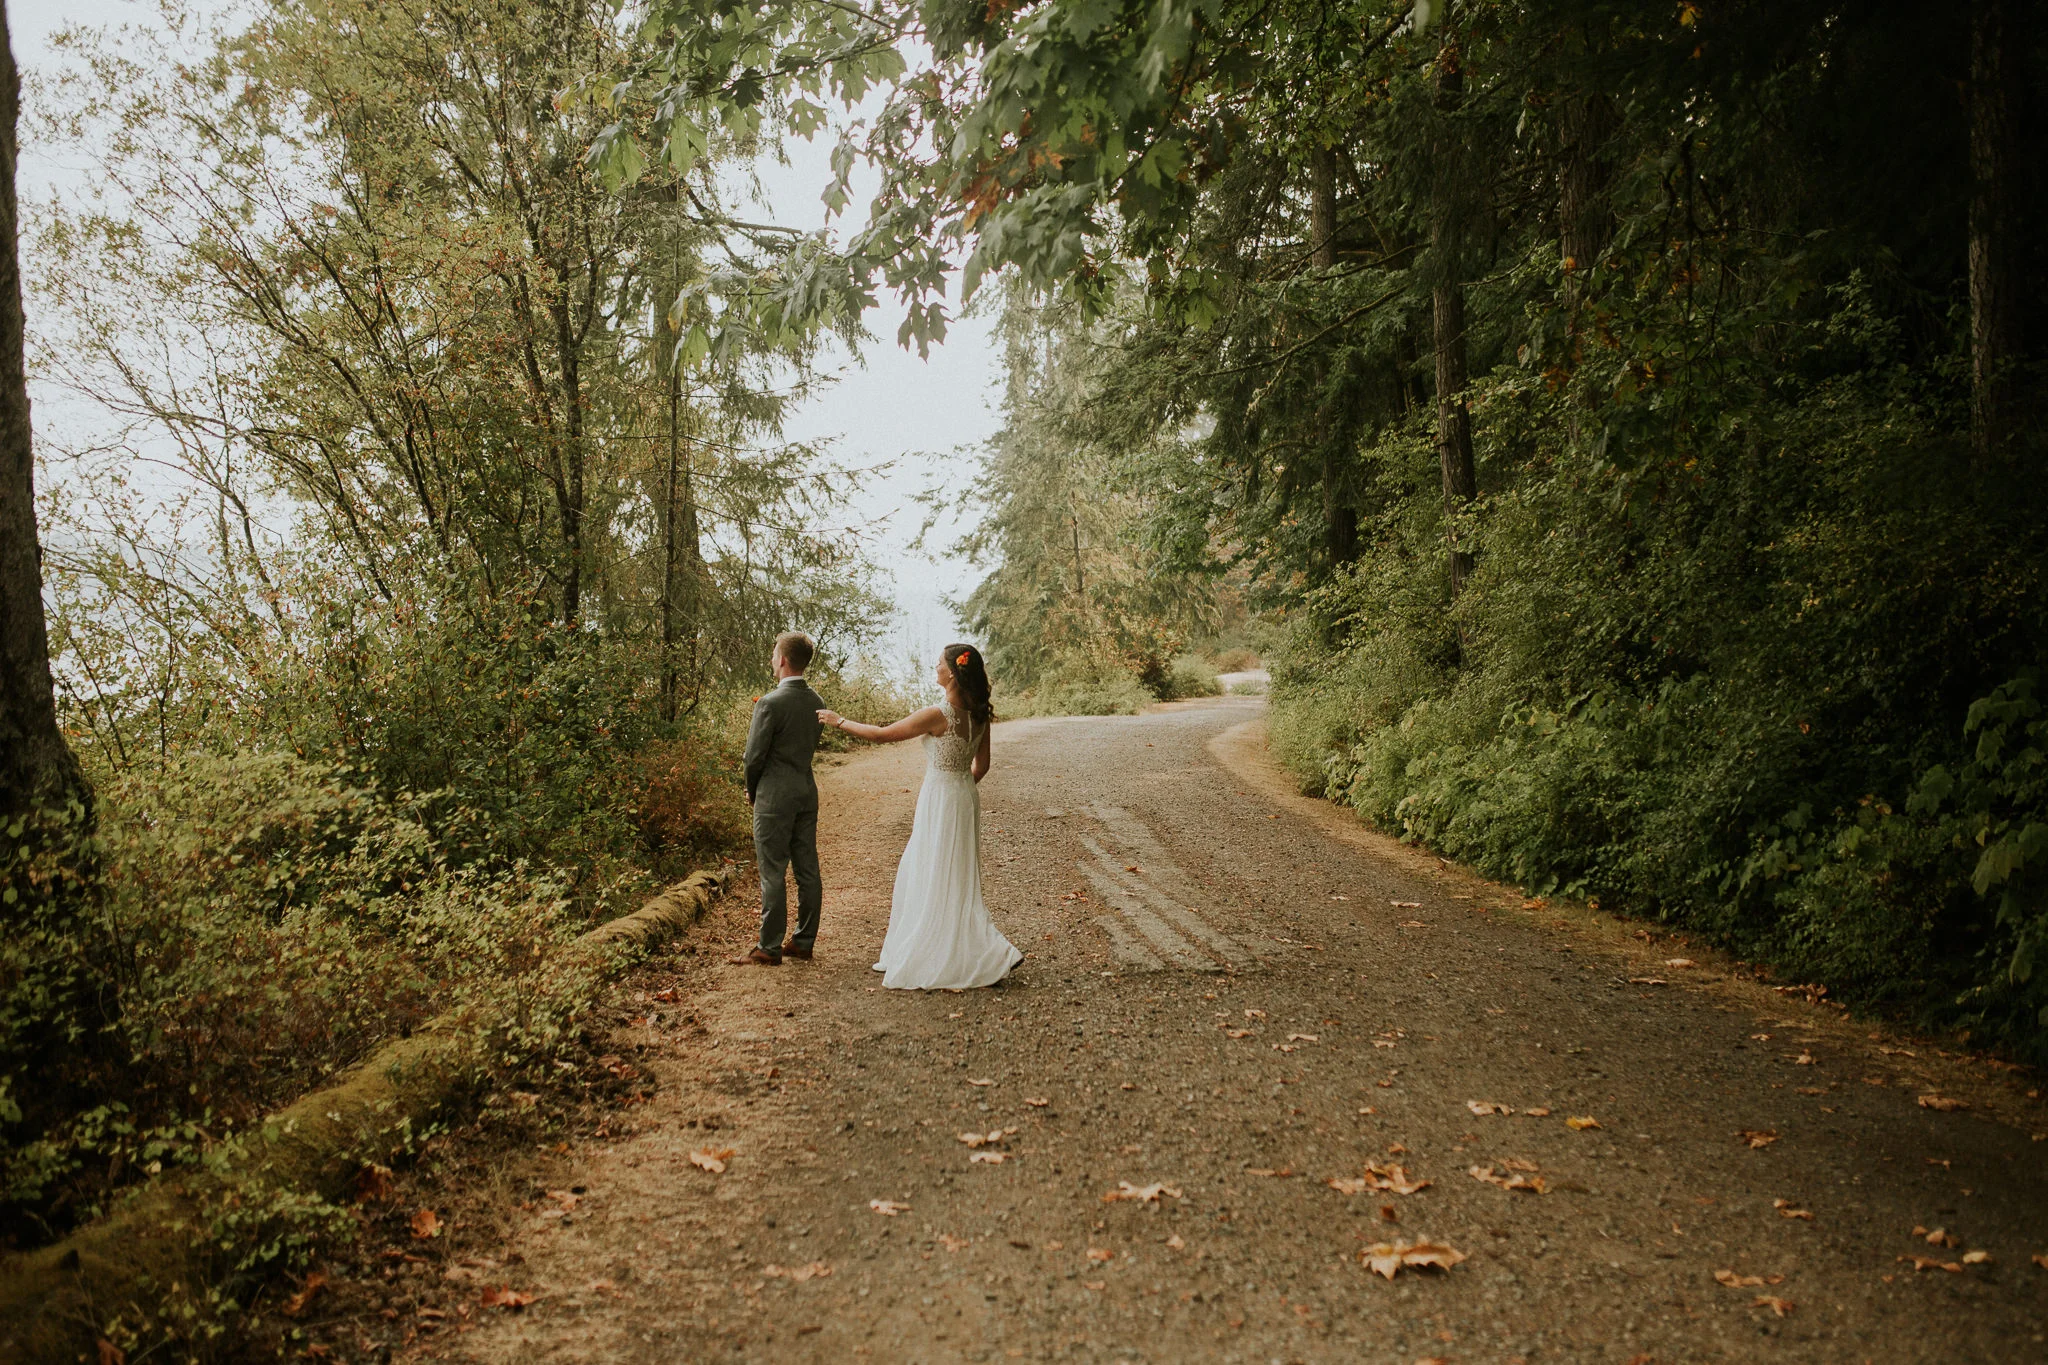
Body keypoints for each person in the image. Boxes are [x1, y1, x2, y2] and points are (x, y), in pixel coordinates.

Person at [818, 644, 1022, 990]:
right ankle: (969, 947)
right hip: (963, 797)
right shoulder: (979, 713)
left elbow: (882, 735)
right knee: (954, 873)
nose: (935, 667)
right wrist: (958, 788)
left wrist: (839, 721)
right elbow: (982, 766)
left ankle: (958, 951)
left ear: (953, 673)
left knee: (928, 869)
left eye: (939, 663)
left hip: (940, 798)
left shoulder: (938, 714)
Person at [732, 631, 826, 966]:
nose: (772, 659)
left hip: (774, 797)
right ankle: (803, 941)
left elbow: (753, 757)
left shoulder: (770, 703)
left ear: (783, 659)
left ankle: (769, 947)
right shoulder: (817, 702)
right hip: (805, 792)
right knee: (807, 868)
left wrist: (752, 788)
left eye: (774, 653)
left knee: (772, 871)